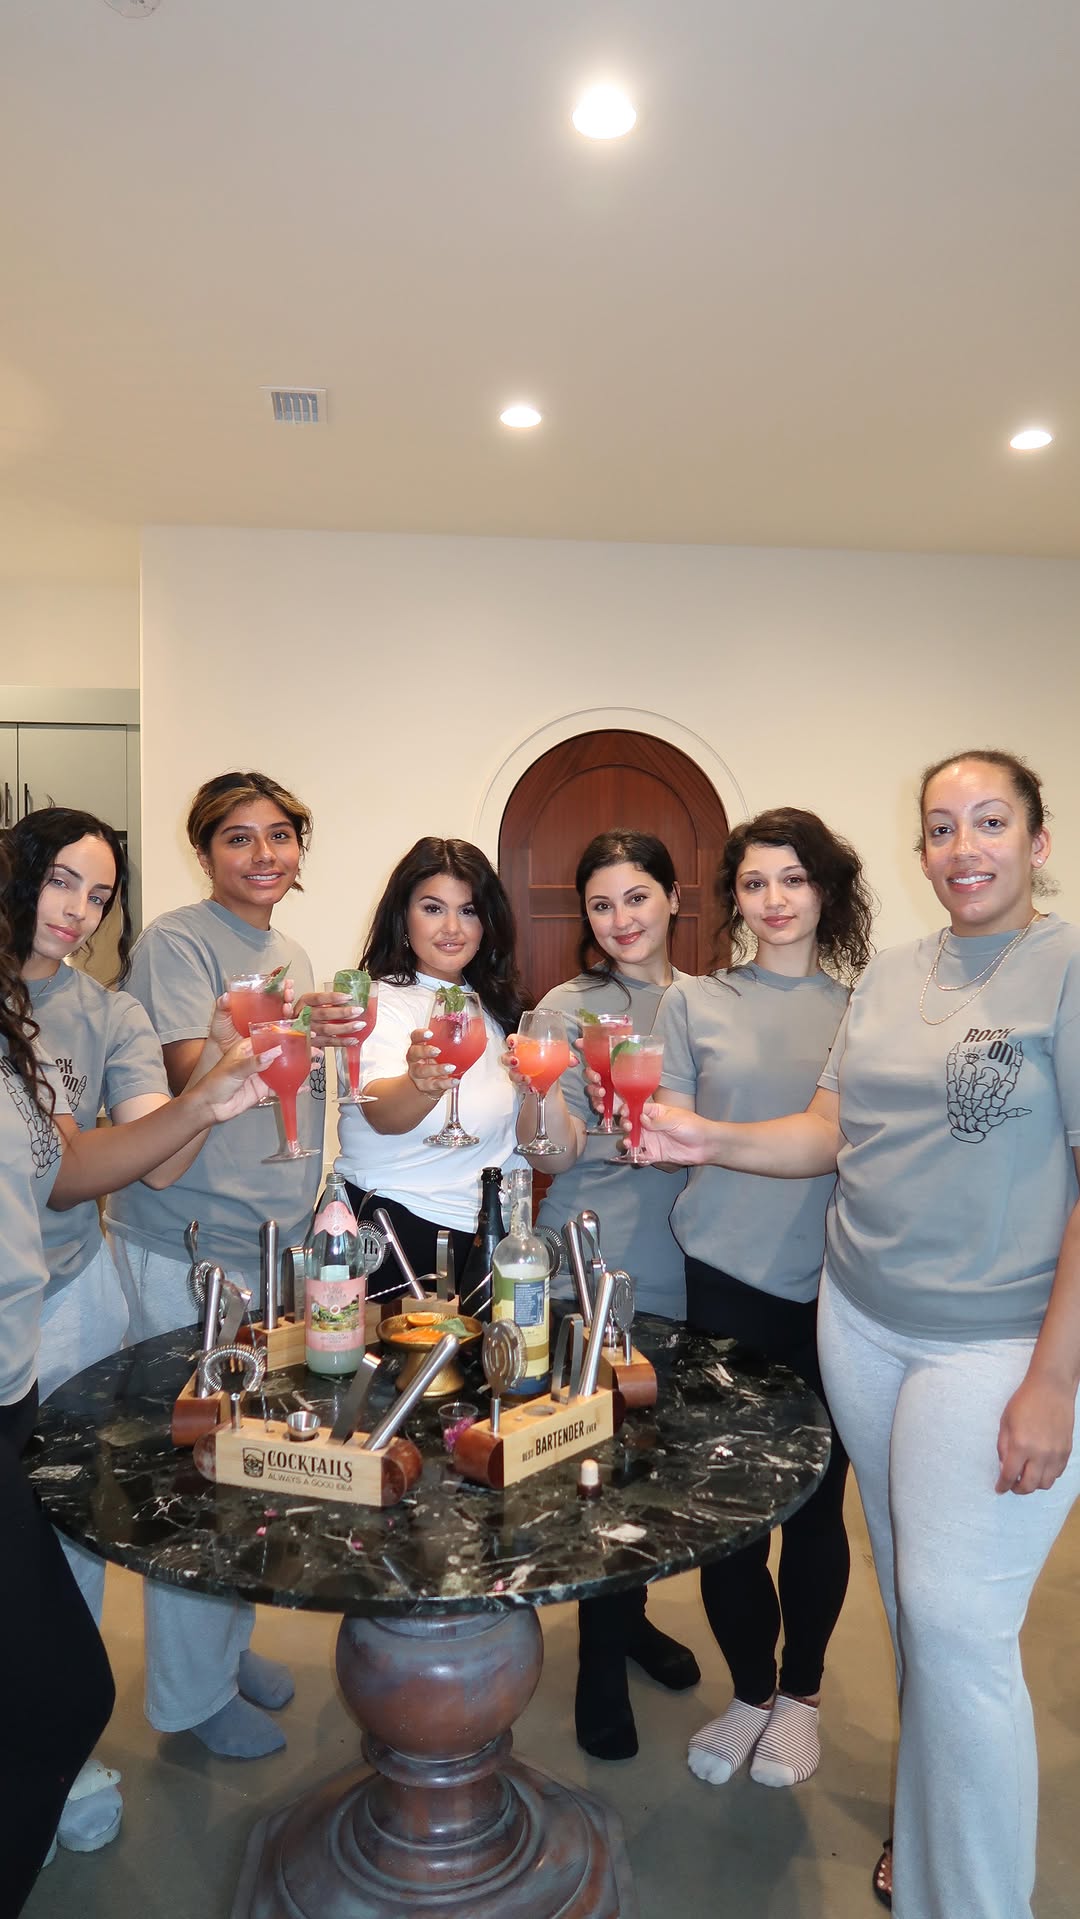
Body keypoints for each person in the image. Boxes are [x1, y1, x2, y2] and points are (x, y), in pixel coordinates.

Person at [636, 752, 1080, 1919]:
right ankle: (925, 1835)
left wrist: (1056, 1376)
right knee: (914, 1605)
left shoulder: (1067, 965)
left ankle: (972, 1898)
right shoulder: (890, 975)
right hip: (864, 1320)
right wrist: (707, 1138)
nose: (964, 845)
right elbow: (828, 1131)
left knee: (959, 1628)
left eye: (991, 821)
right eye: (942, 825)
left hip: (994, 1340)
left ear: (1037, 841)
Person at [0, 831, 270, 1914]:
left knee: (73, 1522)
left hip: (68, 1290)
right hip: (24, 1294)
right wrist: (200, 1099)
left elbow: (145, 1158)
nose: (77, 907)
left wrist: (210, 1081)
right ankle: (50, 1747)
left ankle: (53, 1744)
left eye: (100, 893)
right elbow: (67, 1170)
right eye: (61, 880)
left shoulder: (107, 1013)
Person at [651, 809, 872, 1793]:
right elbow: (662, 1122)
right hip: (723, 1281)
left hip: (834, 1287)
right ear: (732, 897)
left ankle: (802, 1695)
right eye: (753, 882)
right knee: (728, 1510)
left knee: (817, 1509)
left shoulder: (867, 1007)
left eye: (794, 878)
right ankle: (749, 1689)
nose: (774, 899)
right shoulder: (695, 1000)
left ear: (827, 889)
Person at [106, 770, 324, 1759]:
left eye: (279, 834)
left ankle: (226, 1648)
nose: (262, 853)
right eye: (238, 837)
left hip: (267, 1243)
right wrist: (257, 1030)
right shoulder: (177, 942)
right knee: (194, 1470)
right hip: (188, 1241)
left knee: (247, 1467)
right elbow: (185, 1082)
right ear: (204, 852)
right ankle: (189, 1698)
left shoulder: (289, 951)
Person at [512, 829, 699, 1759]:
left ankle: (629, 1616)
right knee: (597, 1459)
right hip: (592, 1255)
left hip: (688, 1257)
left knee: (655, 1463)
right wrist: (543, 1094)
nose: (620, 918)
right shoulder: (567, 1006)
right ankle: (598, 1652)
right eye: (600, 903)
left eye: (637, 896)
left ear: (673, 896)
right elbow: (552, 1151)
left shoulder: (705, 1002)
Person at [335, 836, 525, 1281]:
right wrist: (419, 1084)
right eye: (433, 908)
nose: (452, 928)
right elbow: (381, 1112)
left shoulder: (500, 1010)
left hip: (489, 1231)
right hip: (397, 1226)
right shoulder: (374, 1001)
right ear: (403, 916)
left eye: (468, 910)